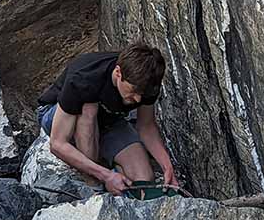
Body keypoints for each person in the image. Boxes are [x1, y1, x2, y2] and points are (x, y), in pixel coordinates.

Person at [36, 42, 178, 196]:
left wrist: (167, 166)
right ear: (118, 73)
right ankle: (94, 185)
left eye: (141, 94)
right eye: (133, 91)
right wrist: (105, 176)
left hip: (108, 120)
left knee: (144, 177)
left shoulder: (146, 85)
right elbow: (57, 144)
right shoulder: (84, 78)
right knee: (88, 108)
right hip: (60, 115)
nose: (137, 99)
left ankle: (119, 184)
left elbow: (146, 127)